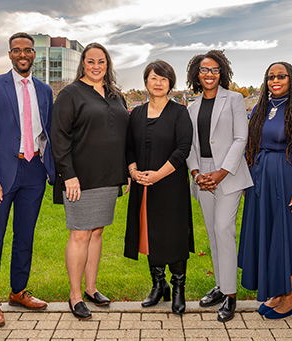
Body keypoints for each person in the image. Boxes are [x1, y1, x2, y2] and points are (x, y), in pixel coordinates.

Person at [0, 32, 55, 327]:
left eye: (28, 50)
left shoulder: (44, 90)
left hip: (34, 171)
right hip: (2, 173)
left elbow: (49, 131)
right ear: (9, 54)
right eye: (17, 50)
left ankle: (18, 291)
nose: (23, 54)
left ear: (35, 55)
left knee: (25, 236)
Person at [238, 61, 292, 320]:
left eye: (281, 76)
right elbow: (250, 144)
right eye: (271, 76)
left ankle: (289, 300)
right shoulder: (259, 109)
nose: (275, 80)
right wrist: (247, 178)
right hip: (260, 181)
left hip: (288, 180)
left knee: (286, 237)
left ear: (291, 79)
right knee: (268, 235)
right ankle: (276, 292)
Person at [52, 42, 129, 320]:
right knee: (81, 234)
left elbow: (123, 136)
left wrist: (124, 173)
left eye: (101, 61)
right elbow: (58, 138)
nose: (96, 66)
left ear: (107, 65)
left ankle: (91, 288)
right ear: (82, 64)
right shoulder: (70, 94)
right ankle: (74, 296)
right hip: (79, 178)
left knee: (97, 232)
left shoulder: (116, 96)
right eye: (90, 61)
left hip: (109, 176)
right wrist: (68, 175)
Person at [185, 50, 253, 322]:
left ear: (222, 72)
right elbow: (189, 144)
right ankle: (220, 286)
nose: (209, 74)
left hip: (229, 173)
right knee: (214, 233)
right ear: (196, 75)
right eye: (204, 70)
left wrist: (222, 172)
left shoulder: (235, 99)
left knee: (224, 229)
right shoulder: (191, 107)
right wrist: (196, 172)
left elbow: (241, 138)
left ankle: (230, 295)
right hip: (203, 174)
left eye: (214, 70)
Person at [124, 60, 193, 314]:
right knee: (150, 233)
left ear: (170, 84)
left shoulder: (179, 113)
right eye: (154, 78)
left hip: (171, 183)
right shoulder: (137, 114)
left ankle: (178, 289)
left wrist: (158, 175)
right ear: (146, 82)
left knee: (173, 234)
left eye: (164, 79)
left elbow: (182, 150)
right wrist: (133, 171)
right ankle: (158, 284)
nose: (158, 83)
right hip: (143, 183)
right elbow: (129, 146)